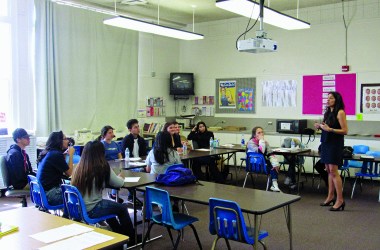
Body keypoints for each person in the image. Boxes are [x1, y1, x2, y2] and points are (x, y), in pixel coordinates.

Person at [70, 141, 140, 245]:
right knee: (122, 208)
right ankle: (131, 238)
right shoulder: (102, 166)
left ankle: (120, 234)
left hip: (77, 208)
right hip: (92, 208)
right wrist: (120, 177)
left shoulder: (79, 167)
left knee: (111, 209)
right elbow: (119, 183)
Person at [314, 91, 348, 211]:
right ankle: (330, 196)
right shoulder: (328, 113)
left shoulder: (340, 112)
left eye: (331, 98)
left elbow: (345, 130)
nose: (328, 100)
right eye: (327, 98)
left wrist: (330, 129)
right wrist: (320, 126)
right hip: (326, 143)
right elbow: (326, 127)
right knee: (328, 170)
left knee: (334, 171)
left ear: (336, 100)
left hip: (335, 144)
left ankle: (340, 200)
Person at [37, 131, 74, 206]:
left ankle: (66, 215)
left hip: (42, 193)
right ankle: (69, 216)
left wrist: (64, 155)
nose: (68, 141)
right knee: (78, 194)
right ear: (59, 141)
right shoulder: (56, 154)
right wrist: (71, 155)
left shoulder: (47, 152)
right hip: (51, 195)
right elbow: (70, 173)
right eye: (65, 139)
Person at [247, 126, 281, 192]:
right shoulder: (250, 143)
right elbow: (260, 151)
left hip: (263, 163)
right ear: (254, 135)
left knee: (274, 165)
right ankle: (274, 184)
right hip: (253, 165)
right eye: (259, 133)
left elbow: (270, 153)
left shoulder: (265, 143)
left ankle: (274, 184)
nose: (261, 134)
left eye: (262, 132)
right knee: (270, 165)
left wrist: (275, 163)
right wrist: (262, 141)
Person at [98, 125, 123, 203]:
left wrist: (121, 163)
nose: (112, 134)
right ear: (104, 134)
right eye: (109, 132)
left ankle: (115, 193)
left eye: (112, 132)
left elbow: (120, 155)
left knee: (123, 174)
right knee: (115, 175)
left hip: (116, 165)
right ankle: (113, 194)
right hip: (107, 167)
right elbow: (100, 158)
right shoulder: (101, 145)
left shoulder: (115, 144)